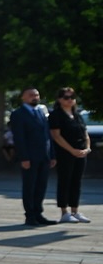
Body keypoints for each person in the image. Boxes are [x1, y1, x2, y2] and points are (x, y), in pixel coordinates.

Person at [9, 87, 55, 226]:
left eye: (36, 95)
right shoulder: (18, 114)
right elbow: (19, 138)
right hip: (30, 157)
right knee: (30, 186)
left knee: (41, 186)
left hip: (44, 156)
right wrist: (24, 157)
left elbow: (48, 135)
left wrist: (52, 155)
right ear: (23, 97)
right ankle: (29, 215)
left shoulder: (41, 112)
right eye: (31, 95)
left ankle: (38, 213)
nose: (34, 97)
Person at [49, 87, 91, 224]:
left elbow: (85, 133)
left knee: (76, 181)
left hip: (80, 153)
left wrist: (87, 148)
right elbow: (56, 136)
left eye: (72, 97)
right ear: (60, 99)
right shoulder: (56, 115)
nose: (70, 100)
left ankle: (75, 210)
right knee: (65, 181)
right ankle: (64, 212)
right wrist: (71, 150)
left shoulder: (77, 114)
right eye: (66, 98)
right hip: (65, 153)